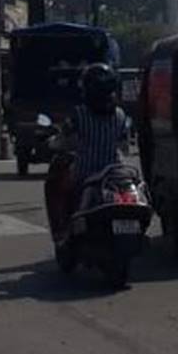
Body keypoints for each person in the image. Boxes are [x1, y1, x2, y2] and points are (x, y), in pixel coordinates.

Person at [45, 63, 127, 237]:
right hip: (116, 174)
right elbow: (124, 146)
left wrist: (52, 142)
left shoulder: (79, 115)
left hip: (84, 174)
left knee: (56, 184)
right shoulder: (121, 115)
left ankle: (62, 231)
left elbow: (63, 142)